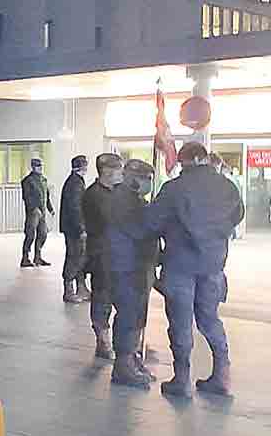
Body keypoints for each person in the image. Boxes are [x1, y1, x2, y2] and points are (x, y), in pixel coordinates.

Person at [133, 143, 244, 397]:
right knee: (210, 319)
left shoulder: (173, 189)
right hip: (213, 265)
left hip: (180, 265)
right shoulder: (227, 187)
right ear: (204, 159)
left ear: (183, 162)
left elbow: (151, 224)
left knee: (181, 322)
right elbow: (237, 215)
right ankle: (222, 375)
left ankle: (182, 380)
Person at [106, 160, 160, 389]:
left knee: (138, 314)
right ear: (129, 176)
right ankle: (123, 366)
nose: (146, 182)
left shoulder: (135, 200)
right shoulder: (120, 200)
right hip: (125, 265)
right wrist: (156, 217)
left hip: (138, 266)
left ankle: (132, 358)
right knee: (128, 315)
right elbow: (139, 230)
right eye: (144, 177)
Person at [82, 153, 125, 361]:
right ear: (107, 172)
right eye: (119, 170)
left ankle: (119, 341)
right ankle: (103, 338)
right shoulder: (93, 195)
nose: (122, 174)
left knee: (120, 299)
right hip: (102, 255)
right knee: (102, 298)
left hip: (120, 255)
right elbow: (109, 221)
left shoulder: (118, 192)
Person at [60, 155, 90, 303]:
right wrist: (81, 228)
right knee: (75, 257)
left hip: (72, 227)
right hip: (74, 229)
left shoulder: (75, 181)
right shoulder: (75, 184)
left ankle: (81, 287)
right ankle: (69, 289)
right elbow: (75, 208)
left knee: (80, 257)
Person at [20, 158, 54, 267]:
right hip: (33, 212)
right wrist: (34, 209)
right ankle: (25, 258)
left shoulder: (43, 180)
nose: (39, 168)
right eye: (37, 166)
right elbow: (26, 197)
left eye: (40, 166)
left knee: (43, 234)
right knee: (30, 235)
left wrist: (50, 208)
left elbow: (46, 196)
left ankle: (38, 257)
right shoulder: (27, 181)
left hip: (42, 212)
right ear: (33, 167)